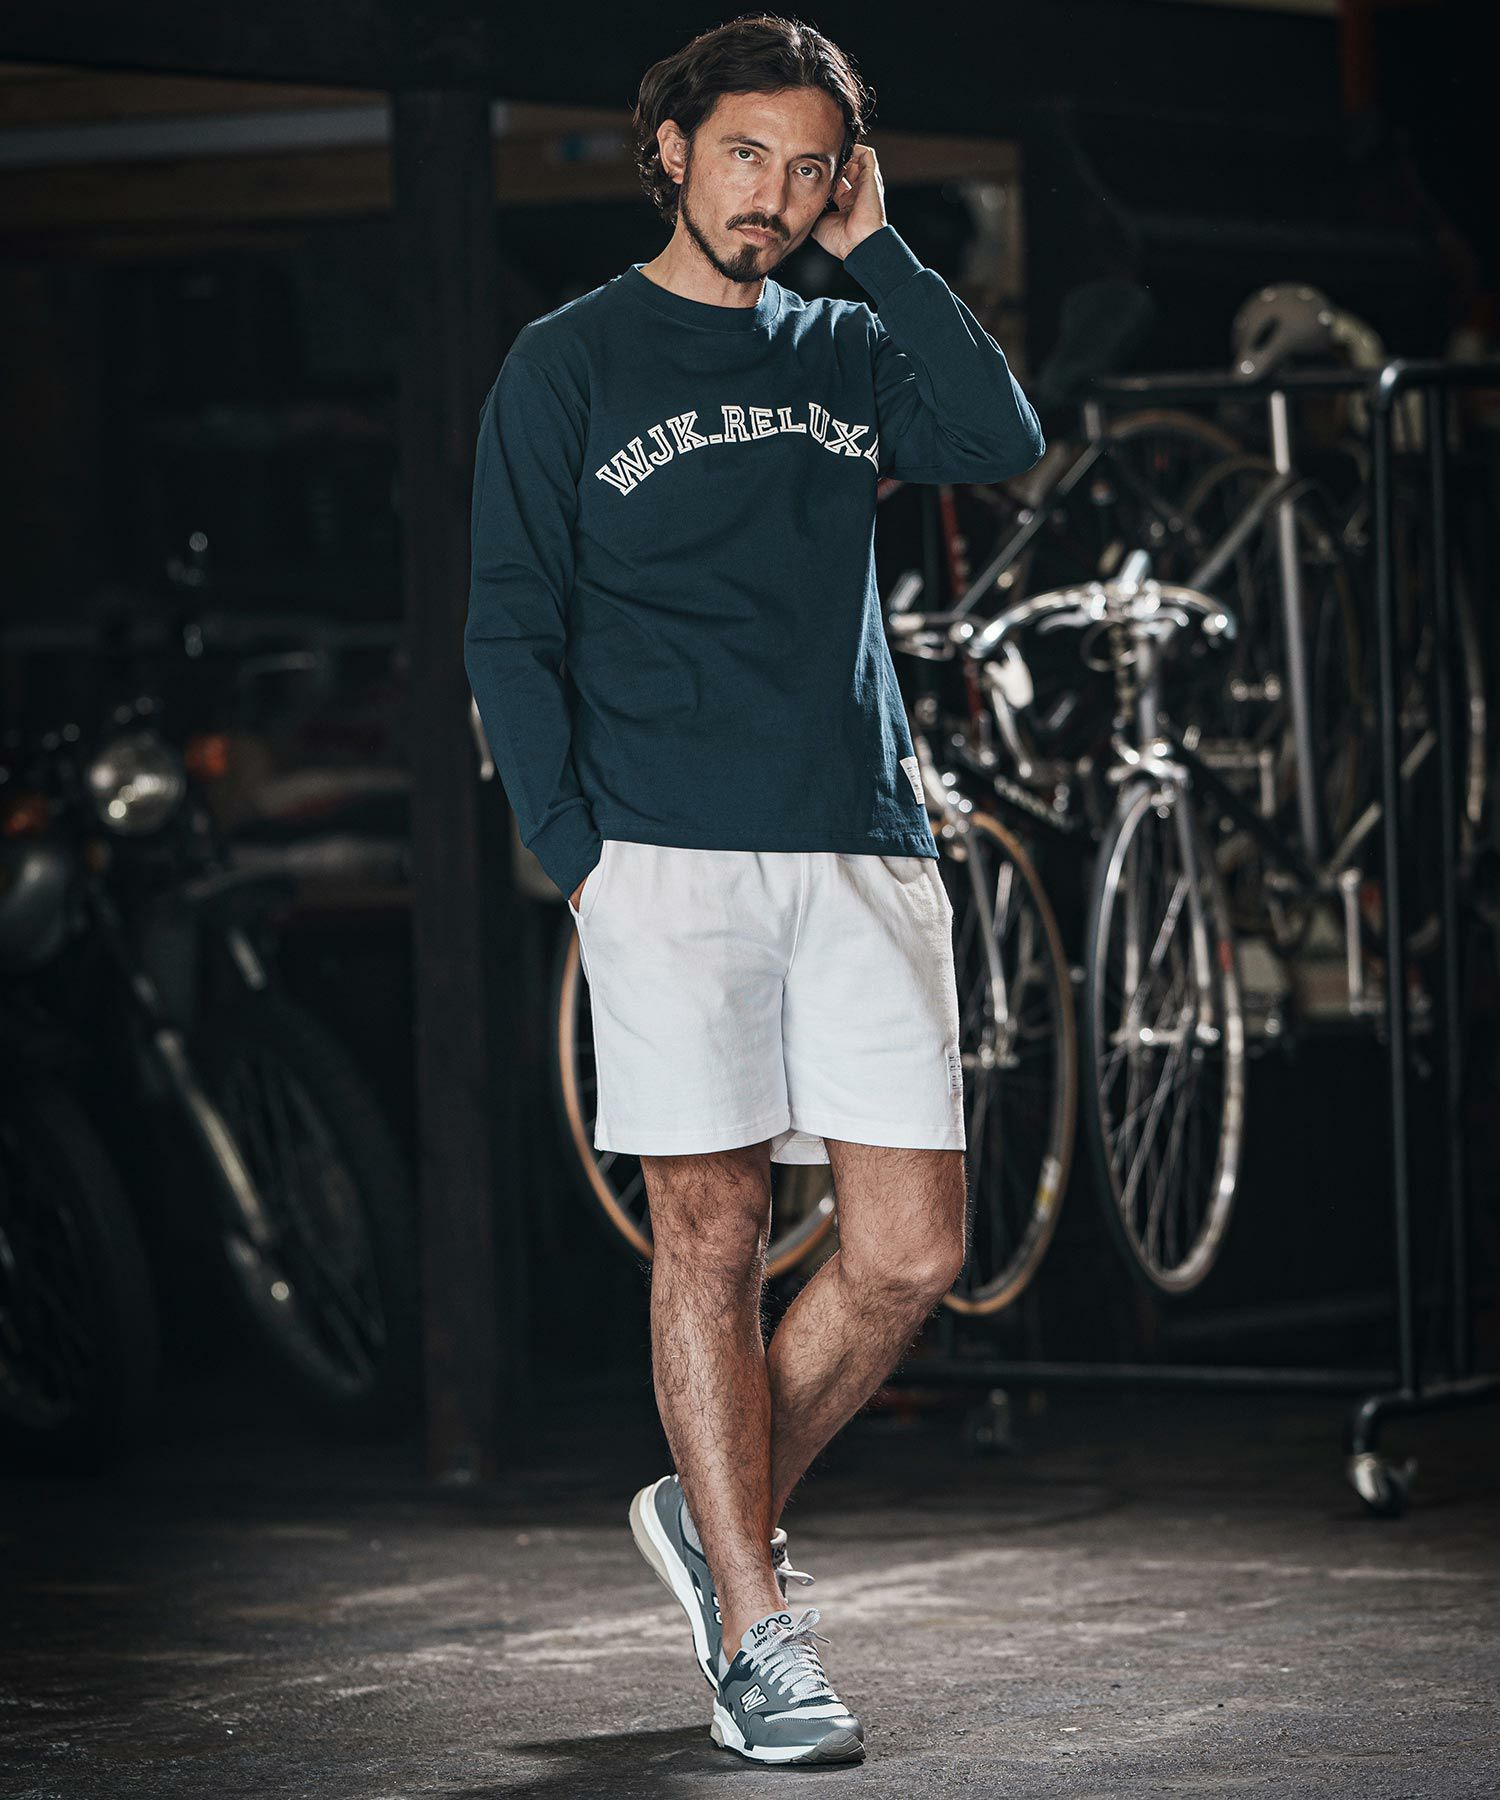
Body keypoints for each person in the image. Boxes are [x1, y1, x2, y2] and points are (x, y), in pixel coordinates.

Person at [464, 14, 1044, 1767]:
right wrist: (581, 857)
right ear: (669, 151)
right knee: (710, 1236)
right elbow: (509, 623)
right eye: (743, 157)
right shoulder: (566, 362)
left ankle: (710, 1509)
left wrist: (884, 248)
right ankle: (756, 1626)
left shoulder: (850, 341)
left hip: (862, 838)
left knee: (912, 1250)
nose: (771, 197)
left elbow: (998, 433)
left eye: (806, 169)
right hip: (665, 856)